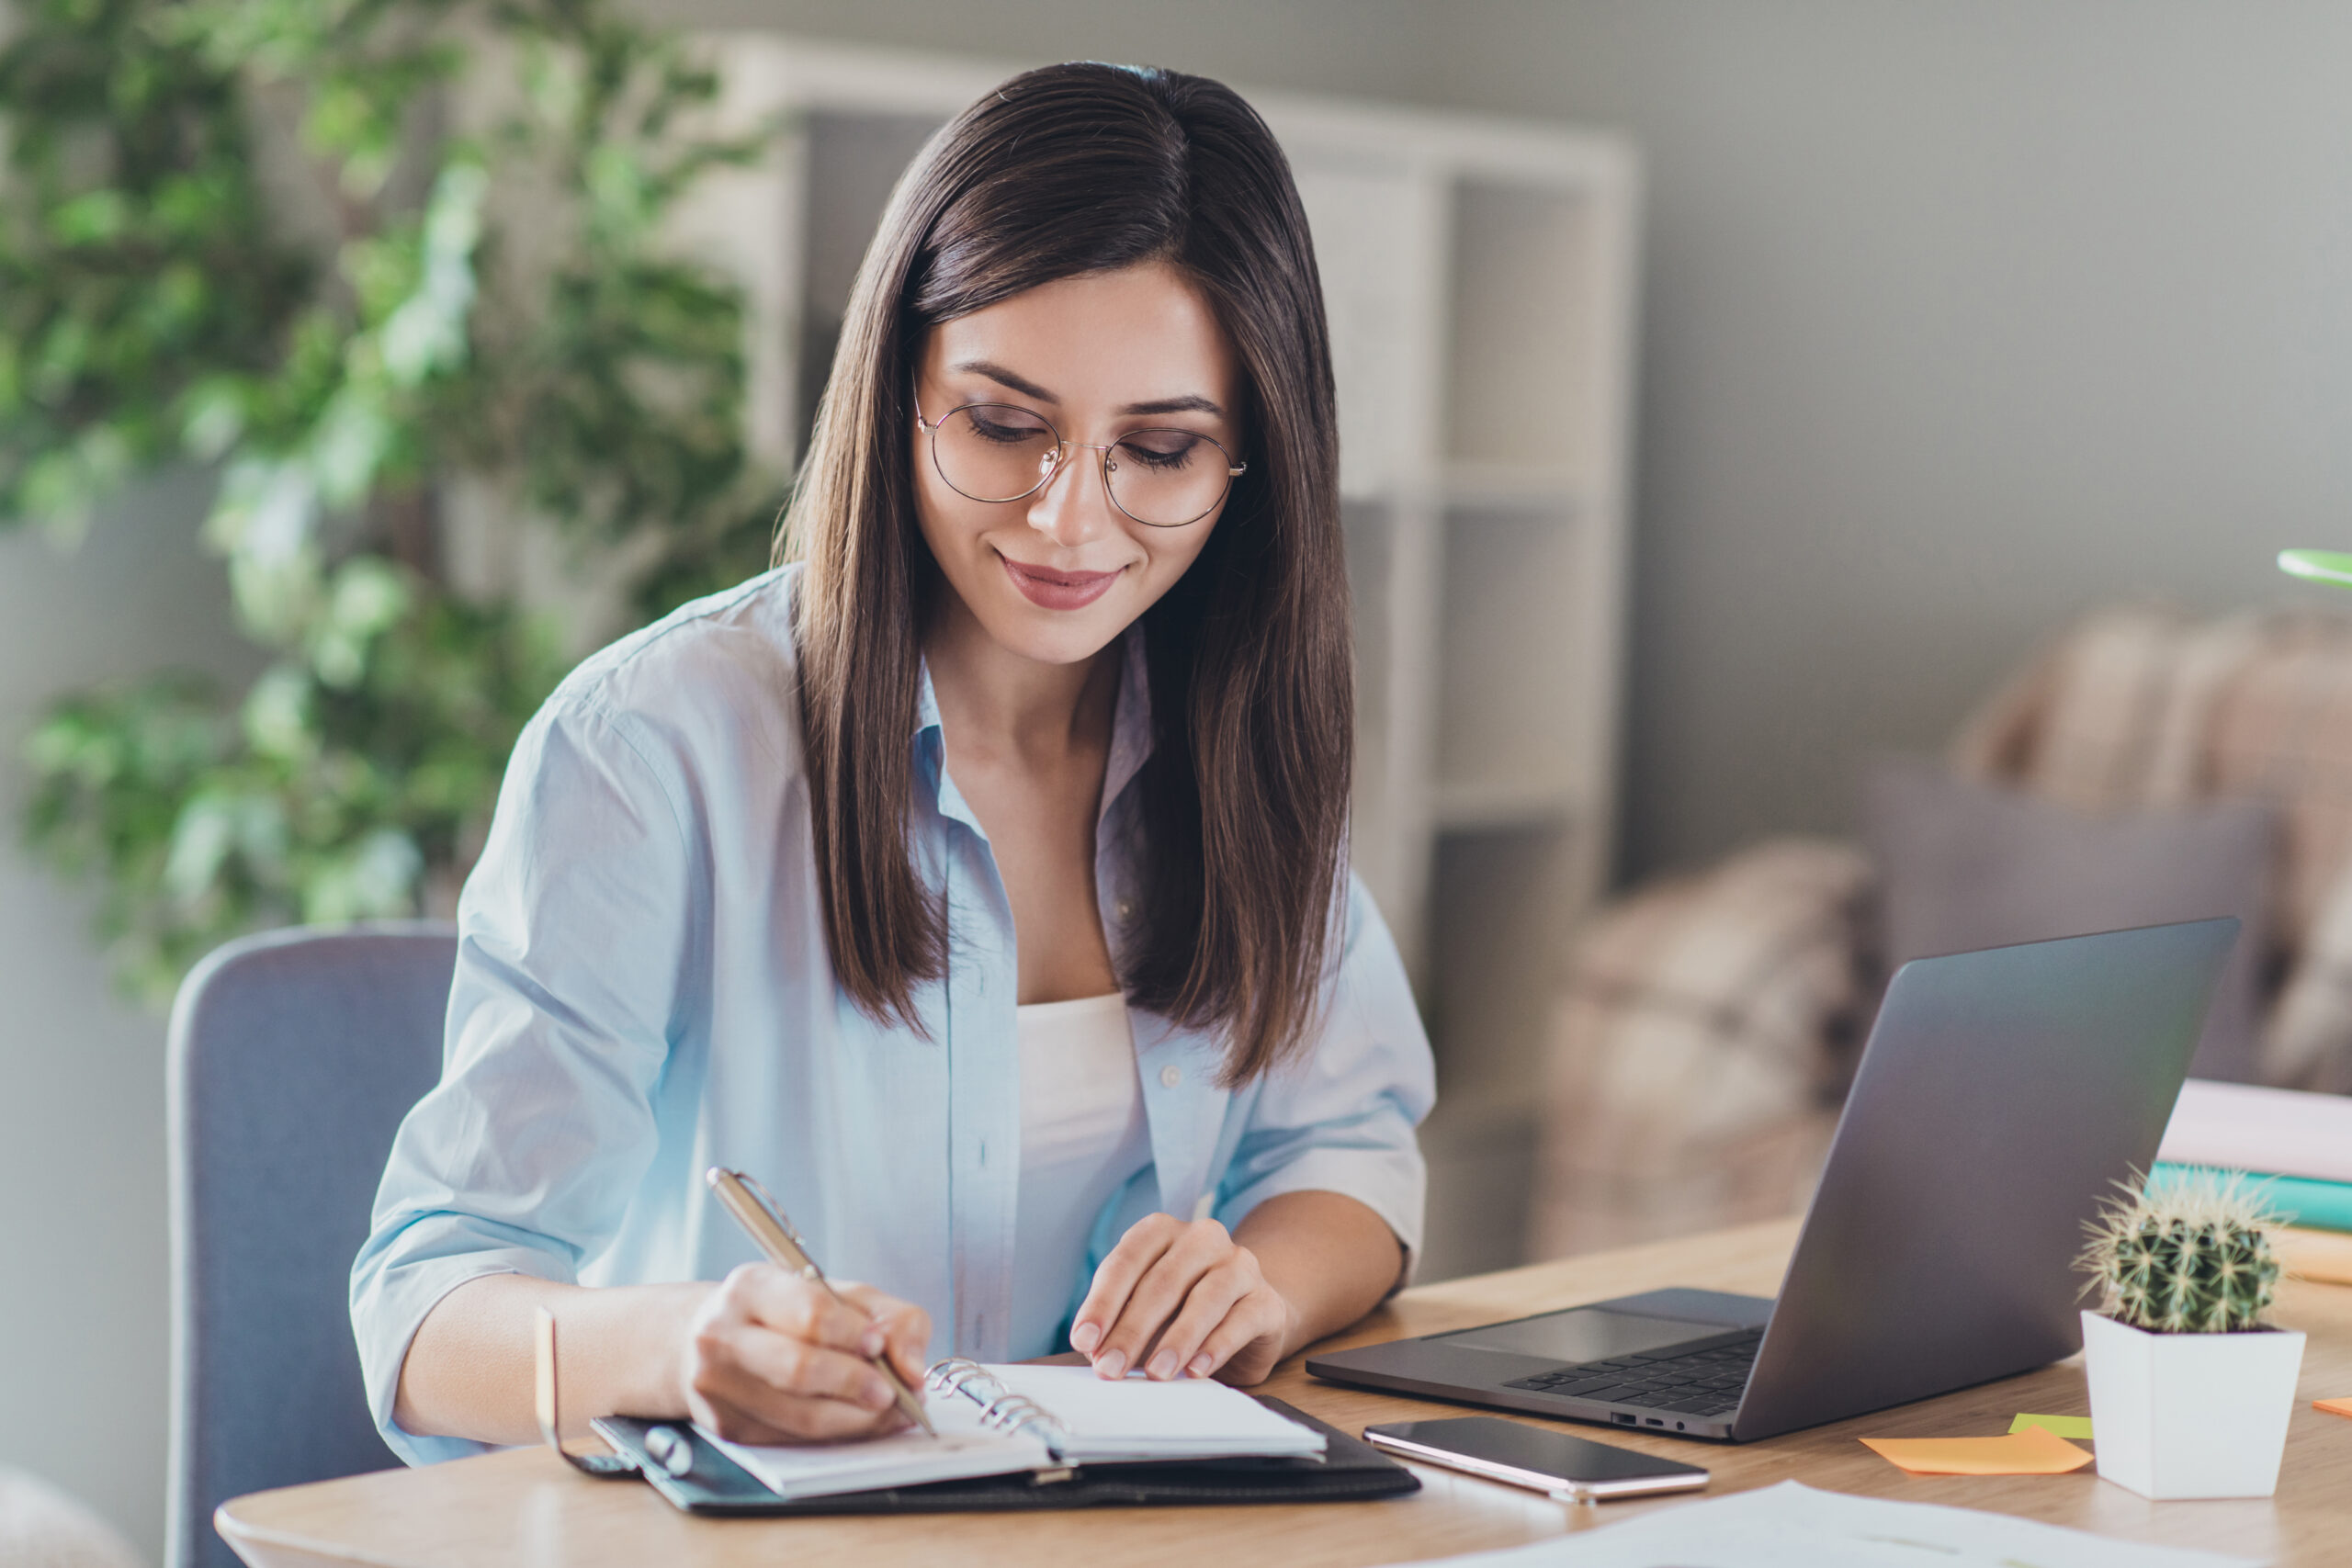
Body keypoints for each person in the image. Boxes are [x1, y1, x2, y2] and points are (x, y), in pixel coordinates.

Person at [351, 60, 1434, 1463]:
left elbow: (1351, 1151)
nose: (1071, 521)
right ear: (896, 393)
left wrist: (1260, 1281)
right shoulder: (652, 750)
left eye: (1159, 450)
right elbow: (423, 1309)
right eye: (1003, 425)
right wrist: (684, 1351)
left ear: (1250, 465)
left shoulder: (1236, 735)